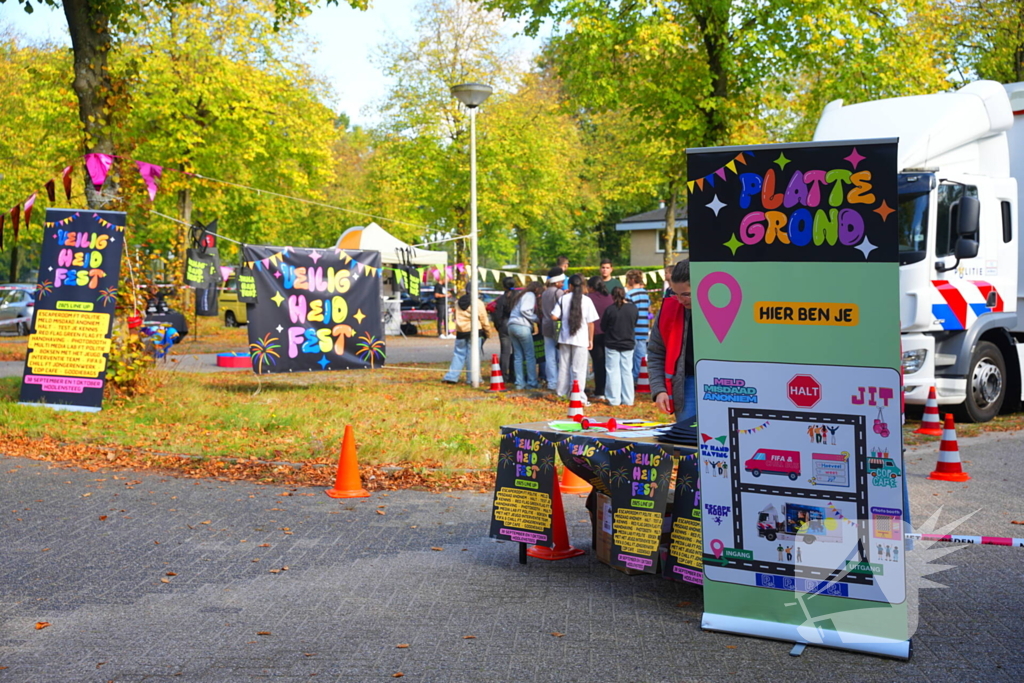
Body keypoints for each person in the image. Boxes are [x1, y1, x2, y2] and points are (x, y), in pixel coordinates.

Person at [648, 259, 695, 421]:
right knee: (687, 440)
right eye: (676, 294)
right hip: (686, 384)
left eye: (686, 294)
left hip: (725, 386)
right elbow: (655, 352)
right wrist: (659, 390)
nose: (681, 300)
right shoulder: (669, 309)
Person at [552, 274, 599, 400]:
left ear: (570, 286)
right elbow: (591, 322)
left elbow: (554, 316)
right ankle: (579, 396)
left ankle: (561, 394)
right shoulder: (587, 300)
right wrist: (590, 340)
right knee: (579, 369)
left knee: (564, 367)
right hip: (581, 339)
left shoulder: (563, 298)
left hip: (565, 338)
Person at [442, 289, 494, 384]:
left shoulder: (458, 302)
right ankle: (473, 378)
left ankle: (451, 377)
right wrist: (488, 332)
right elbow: (483, 319)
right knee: (473, 355)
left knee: (458, 354)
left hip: (461, 331)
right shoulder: (478, 303)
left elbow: (455, 316)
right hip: (474, 331)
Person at [601, 286, 639, 406]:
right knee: (627, 371)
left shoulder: (610, 309)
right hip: (628, 342)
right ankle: (628, 399)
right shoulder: (633, 308)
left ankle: (614, 399)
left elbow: (603, 327)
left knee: (613, 371)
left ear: (612, 296)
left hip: (612, 343)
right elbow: (635, 323)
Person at [507, 281, 543, 390]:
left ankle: (519, 383)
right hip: (522, 326)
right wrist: (536, 319)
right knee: (530, 356)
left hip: (511, 325)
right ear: (537, 289)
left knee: (518, 356)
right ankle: (532, 382)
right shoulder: (530, 295)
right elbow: (524, 310)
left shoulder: (521, 294)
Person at [586, 276, 613, 400]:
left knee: (597, 363)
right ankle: (610, 389)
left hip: (594, 333)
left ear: (591, 287)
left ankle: (599, 391)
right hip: (608, 333)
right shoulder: (609, 297)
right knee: (608, 363)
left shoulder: (589, 299)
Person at [540, 267, 565, 391]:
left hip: (545, 325)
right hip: (557, 327)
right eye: (562, 281)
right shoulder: (558, 293)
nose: (563, 284)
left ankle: (552, 382)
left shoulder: (544, 292)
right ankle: (561, 380)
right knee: (560, 355)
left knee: (549, 355)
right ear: (557, 282)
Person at [624, 269, 651, 382]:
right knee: (641, 357)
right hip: (643, 329)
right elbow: (649, 311)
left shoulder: (629, 294)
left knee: (629, 357)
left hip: (632, 330)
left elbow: (626, 312)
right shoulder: (645, 294)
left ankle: (631, 379)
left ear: (632, 280)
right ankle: (640, 378)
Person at [490, 276, 516, 384]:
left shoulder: (501, 299)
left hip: (504, 324)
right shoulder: (518, 298)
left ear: (503, 286)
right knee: (516, 351)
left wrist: (499, 326)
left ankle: (503, 375)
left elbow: (497, 315)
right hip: (516, 323)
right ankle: (514, 375)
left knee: (505, 352)